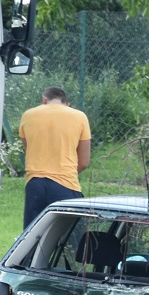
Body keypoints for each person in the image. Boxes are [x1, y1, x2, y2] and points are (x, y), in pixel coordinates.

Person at [18, 86, 92, 227]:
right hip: (66, 184)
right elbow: (84, 161)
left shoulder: (28, 115)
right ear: (66, 104)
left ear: (44, 100)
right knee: (70, 239)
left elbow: (29, 147)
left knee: (32, 238)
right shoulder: (79, 116)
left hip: (34, 184)